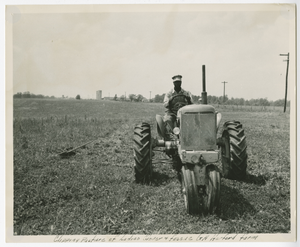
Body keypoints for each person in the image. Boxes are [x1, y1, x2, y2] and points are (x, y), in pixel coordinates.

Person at [163, 75, 193, 140]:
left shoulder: (186, 93)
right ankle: (170, 135)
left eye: (179, 82)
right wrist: (169, 100)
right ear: (173, 83)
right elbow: (165, 105)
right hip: (172, 112)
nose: (177, 83)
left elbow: (192, 104)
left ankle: (190, 135)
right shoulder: (169, 93)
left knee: (193, 119)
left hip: (184, 112)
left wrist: (189, 99)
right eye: (176, 82)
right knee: (167, 119)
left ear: (181, 82)